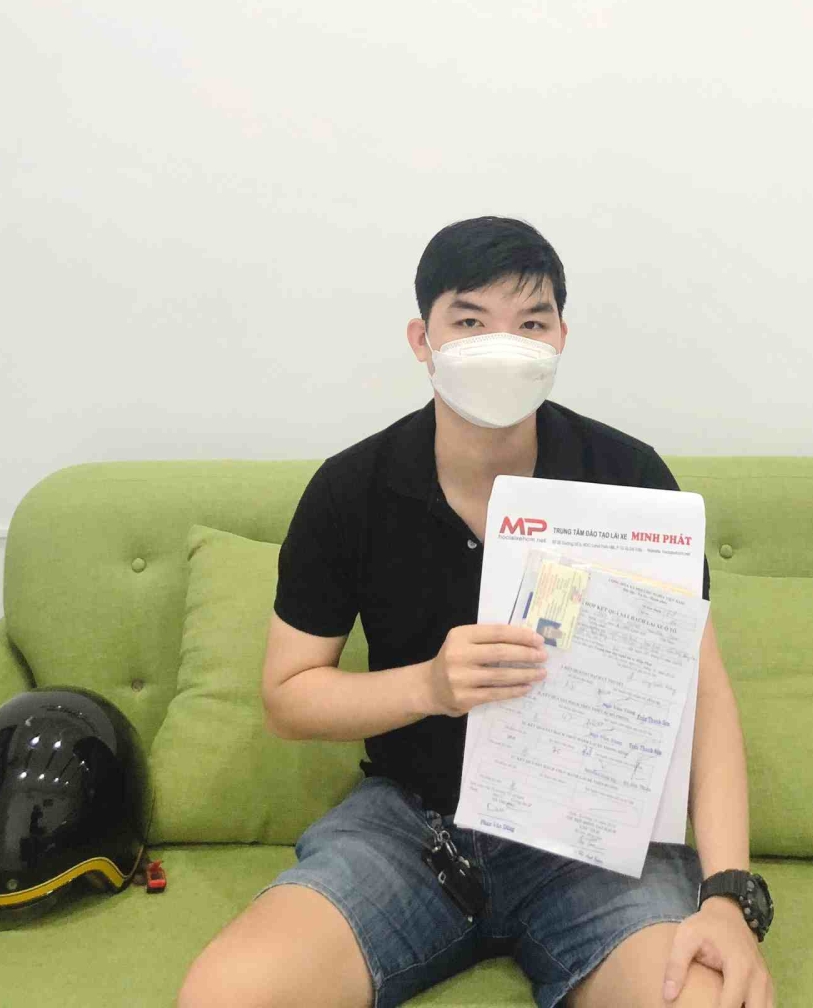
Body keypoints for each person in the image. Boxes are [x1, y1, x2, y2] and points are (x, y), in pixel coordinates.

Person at [177, 217, 775, 1008]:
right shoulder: (351, 490)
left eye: (530, 324)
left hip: (593, 835)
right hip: (410, 829)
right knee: (226, 996)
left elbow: (704, 694)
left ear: (561, 338)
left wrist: (728, 895)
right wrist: (427, 686)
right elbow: (287, 696)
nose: (504, 347)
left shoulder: (628, 477)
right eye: (470, 322)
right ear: (422, 339)